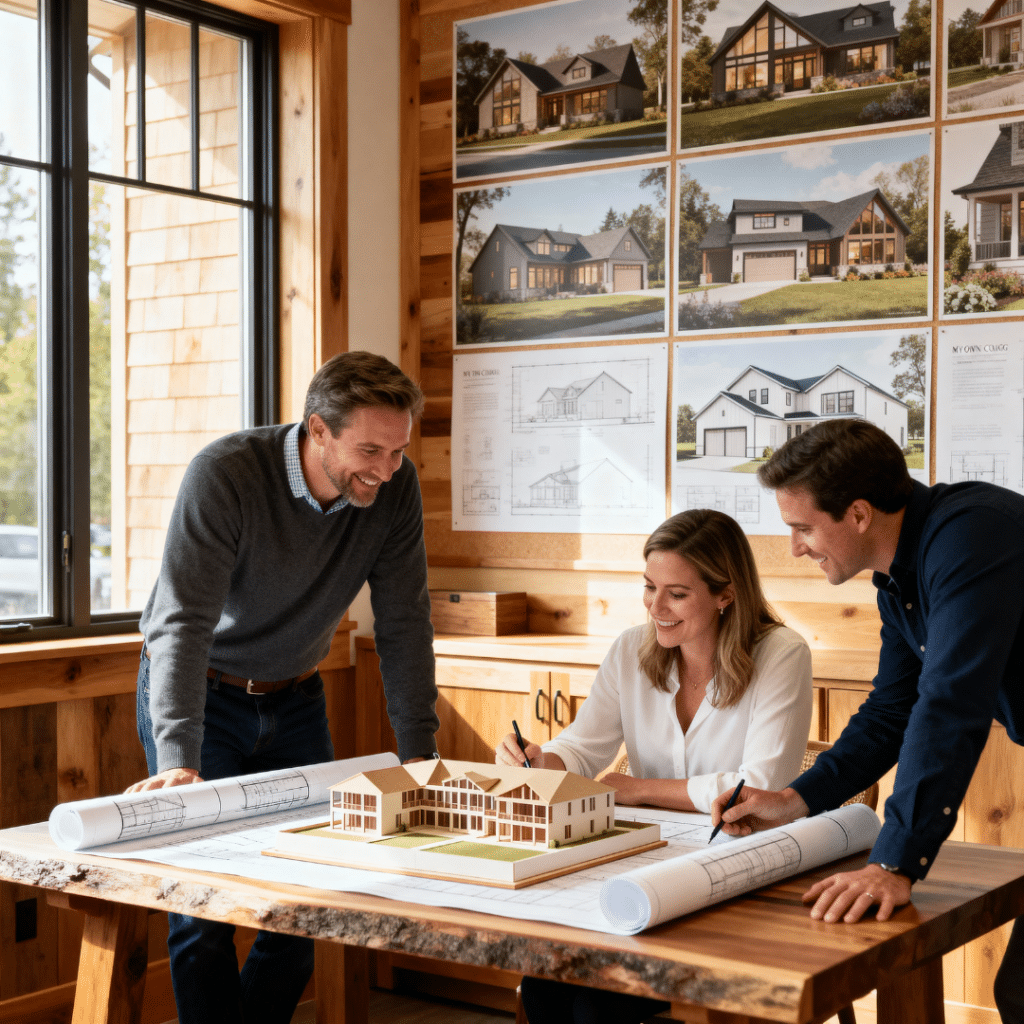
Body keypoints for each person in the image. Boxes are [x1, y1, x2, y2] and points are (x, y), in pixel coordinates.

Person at [128, 351, 439, 1024]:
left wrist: (421, 754)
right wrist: (179, 758)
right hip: (200, 695)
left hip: (295, 699)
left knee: (310, 900)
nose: (386, 470)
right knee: (202, 909)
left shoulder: (394, 487)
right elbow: (182, 622)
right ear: (317, 429)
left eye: (397, 450)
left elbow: (405, 620)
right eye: (370, 450)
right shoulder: (227, 475)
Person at [711, 419, 1024, 1022]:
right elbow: (891, 710)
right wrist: (797, 798)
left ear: (857, 514)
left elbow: (950, 705)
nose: (796, 547)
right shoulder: (898, 580)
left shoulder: (971, 536)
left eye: (802, 528)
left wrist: (893, 864)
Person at [497, 508, 813, 1024]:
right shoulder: (630, 650)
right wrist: (541, 759)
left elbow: (758, 786)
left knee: (594, 1006)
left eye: (677, 593)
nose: (656, 607)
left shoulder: (782, 654)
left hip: (739, 874)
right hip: (645, 863)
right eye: (649, 587)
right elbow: (583, 747)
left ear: (725, 594)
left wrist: (642, 790)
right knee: (545, 987)